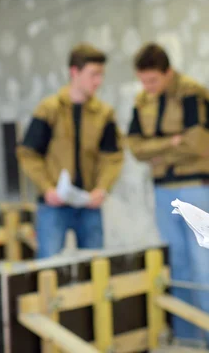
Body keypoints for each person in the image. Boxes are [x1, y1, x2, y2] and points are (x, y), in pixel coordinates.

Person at [127, 43, 209, 351]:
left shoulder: (192, 93)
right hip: (162, 191)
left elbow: (197, 144)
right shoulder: (142, 100)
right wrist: (171, 142)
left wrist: (157, 151)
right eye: (144, 81)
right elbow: (135, 147)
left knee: (203, 263)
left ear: (168, 73)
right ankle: (187, 339)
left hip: (194, 186)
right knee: (178, 264)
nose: (148, 87)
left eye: (153, 81)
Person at [17, 43, 124, 259]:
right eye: (93, 74)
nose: (98, 81)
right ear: (74, 72)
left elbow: (112, 157)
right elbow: (28, 153)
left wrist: (102, 189)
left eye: (101, 75)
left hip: (89, 206)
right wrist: (47, 188)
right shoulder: (49, 109)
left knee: (94, 268)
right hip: (53, 206)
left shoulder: (104, 114)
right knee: (48, 266)